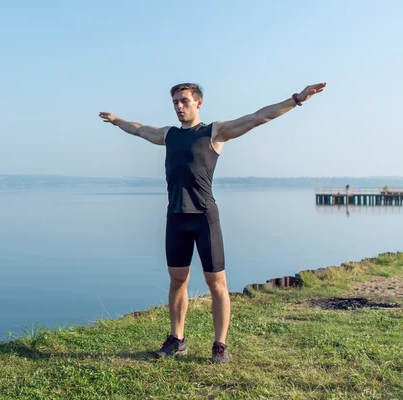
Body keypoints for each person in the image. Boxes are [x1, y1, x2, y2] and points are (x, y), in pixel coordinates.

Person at [99, 81, 326, 363]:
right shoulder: (168, 135)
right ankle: (177, 339)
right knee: (177, 281)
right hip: (176, 217)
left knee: (216, 283)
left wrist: (297, 99)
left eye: (184, 101)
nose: (179, 107)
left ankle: (219, 344)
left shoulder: (214, 133)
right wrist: (116, 120)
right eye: (175, 103)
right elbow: (137, 128)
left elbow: (258, 117)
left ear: (198, 103)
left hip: (205, 217)